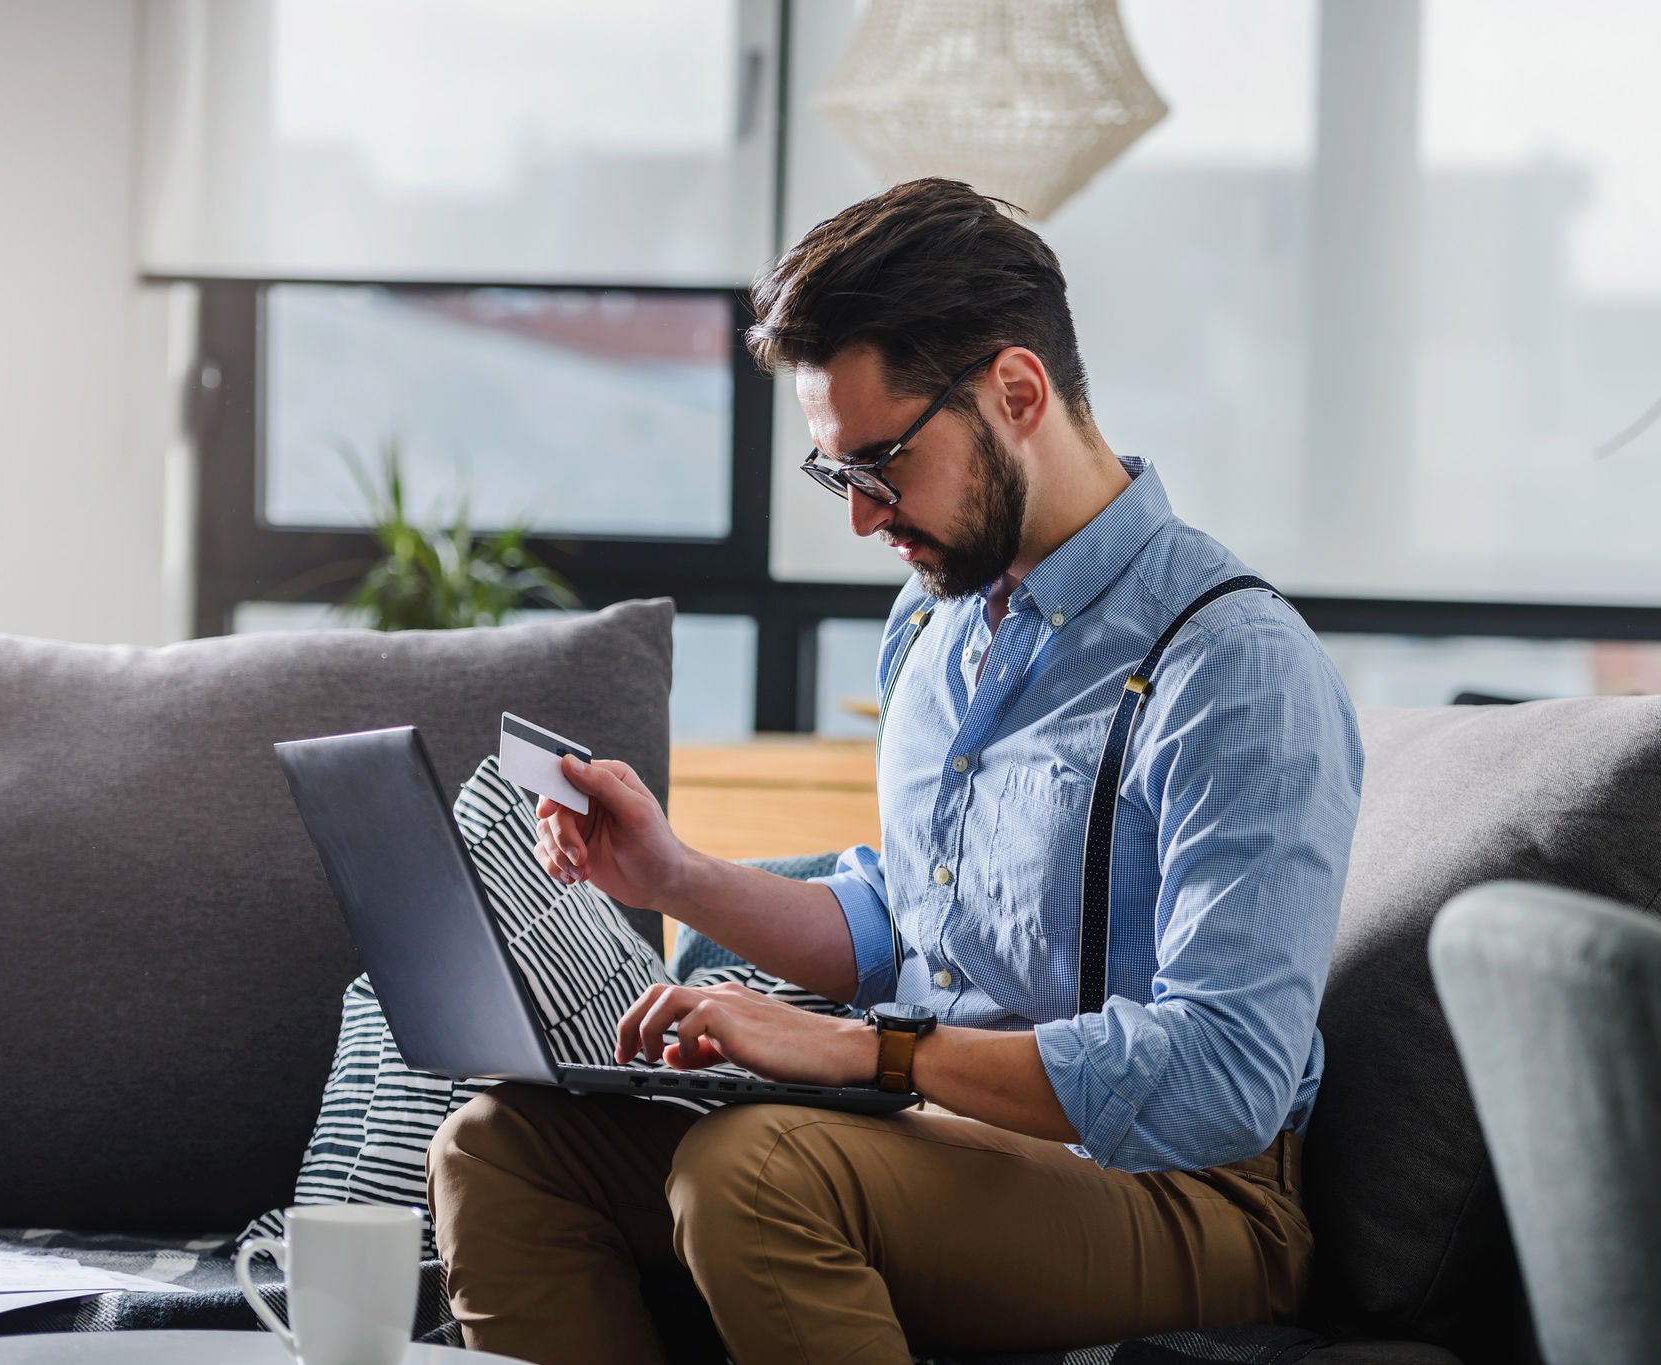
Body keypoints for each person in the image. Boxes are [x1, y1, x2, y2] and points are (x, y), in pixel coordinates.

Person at [426, 177, 1363, 1365]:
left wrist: (868, 1052)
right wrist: (667, 875)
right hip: (933, 1134)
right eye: (839, 475)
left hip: (1188, 1195)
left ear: (1015, 392)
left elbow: (1225, 1073)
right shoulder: (934, 626)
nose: (864, 520)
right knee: (501, 1145)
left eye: (881, 465)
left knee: (750, 1170)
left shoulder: (1229, 666)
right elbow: (898, 924)